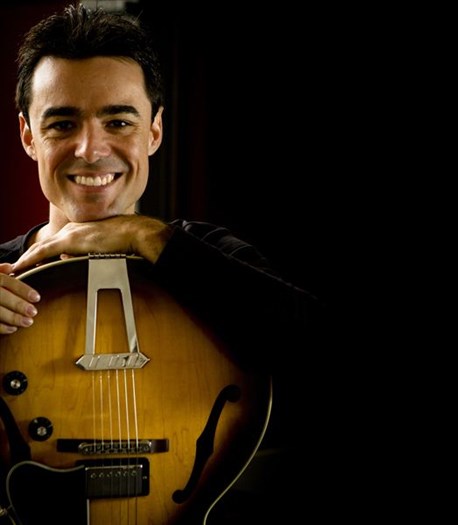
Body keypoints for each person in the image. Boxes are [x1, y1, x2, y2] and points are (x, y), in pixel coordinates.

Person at [0, 2, 329, 523]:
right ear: (28, 136)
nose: (89, 149)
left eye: (118, 121)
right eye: (62, 123)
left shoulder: (205, 254)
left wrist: (147, 236)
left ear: (154, 131)